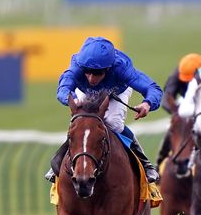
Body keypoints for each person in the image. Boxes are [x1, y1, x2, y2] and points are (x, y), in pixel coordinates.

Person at [46, 36, 162, 184]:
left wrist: (147, 103)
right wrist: (72, 99)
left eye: (97, 73)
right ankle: (59, 161)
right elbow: (63, 88)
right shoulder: (77, 65)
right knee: (82, 122)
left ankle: (145, 164)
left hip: (116, 93)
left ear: (108, 68)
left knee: (113, 123)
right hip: (85, 92)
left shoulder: (121, 67)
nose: (91, 78)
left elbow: (152, 88)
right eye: (87, 72)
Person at [153, 53, 201, 171]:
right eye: (186, 80)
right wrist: (176, 112)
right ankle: (159, 163)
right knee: (171, 128)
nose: (188, 83)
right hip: (184, 104)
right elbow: (166, 97)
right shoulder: (178, 73)